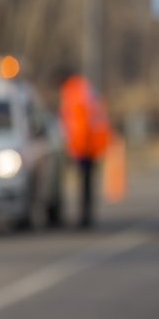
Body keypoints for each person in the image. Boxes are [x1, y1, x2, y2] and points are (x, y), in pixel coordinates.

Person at [58, 70, 111, 227]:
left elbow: (80, 124)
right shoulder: (85, 89)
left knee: (84, 184)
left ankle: (85, 217)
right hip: (92, 144)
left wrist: (76, 148)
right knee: (87, 183)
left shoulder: (74, 92)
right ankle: (86, 215)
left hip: (84, 146)